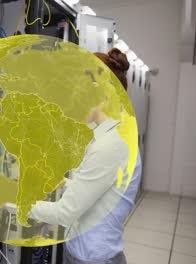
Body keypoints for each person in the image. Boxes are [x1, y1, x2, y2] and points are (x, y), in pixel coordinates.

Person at [29, 48, 142, 264]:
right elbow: (103, 191)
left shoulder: (111, 144)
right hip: (93, 254)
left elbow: (65, 213)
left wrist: (11, 203)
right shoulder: (112, 135)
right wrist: (66, 184)